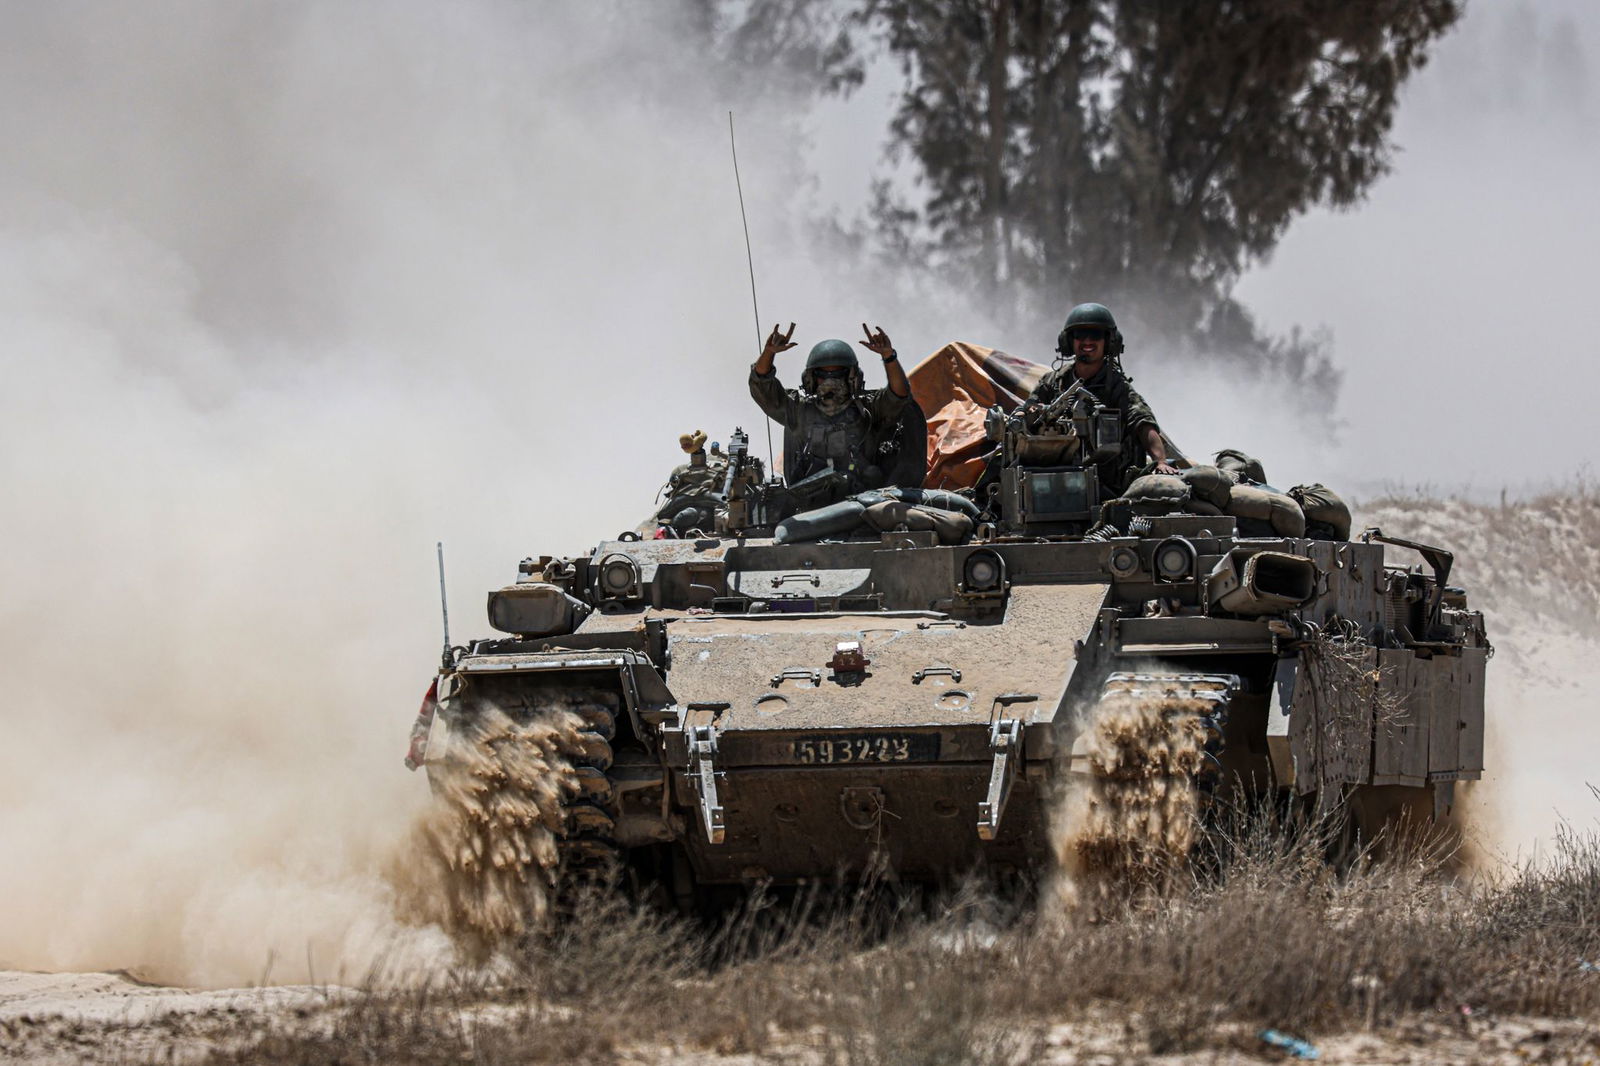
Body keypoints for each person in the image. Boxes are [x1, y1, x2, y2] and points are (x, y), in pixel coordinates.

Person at [1028, 302, 1177, 494]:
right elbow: (1028, 410)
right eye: (1080, 335)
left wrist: (1160, 461)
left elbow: (1143, 423)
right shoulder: (1053, 383)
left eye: (1096, 335)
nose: (1087, 341)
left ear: (1109, 342)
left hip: (1107, 487)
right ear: (1068, 342)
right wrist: (1031, 412)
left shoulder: (1117, 387)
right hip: (1055, 482)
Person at [749, 322, 911, 493]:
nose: (831, 383)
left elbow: (899, 396)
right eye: (823, 376)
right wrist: (769, 353)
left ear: (852, 377)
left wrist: (888, 356)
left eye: (838, 375)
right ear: (810, 379)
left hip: (864, 503)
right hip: (810, 504)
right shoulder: (799, 410)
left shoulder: (868, 410)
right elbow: (762, 386)